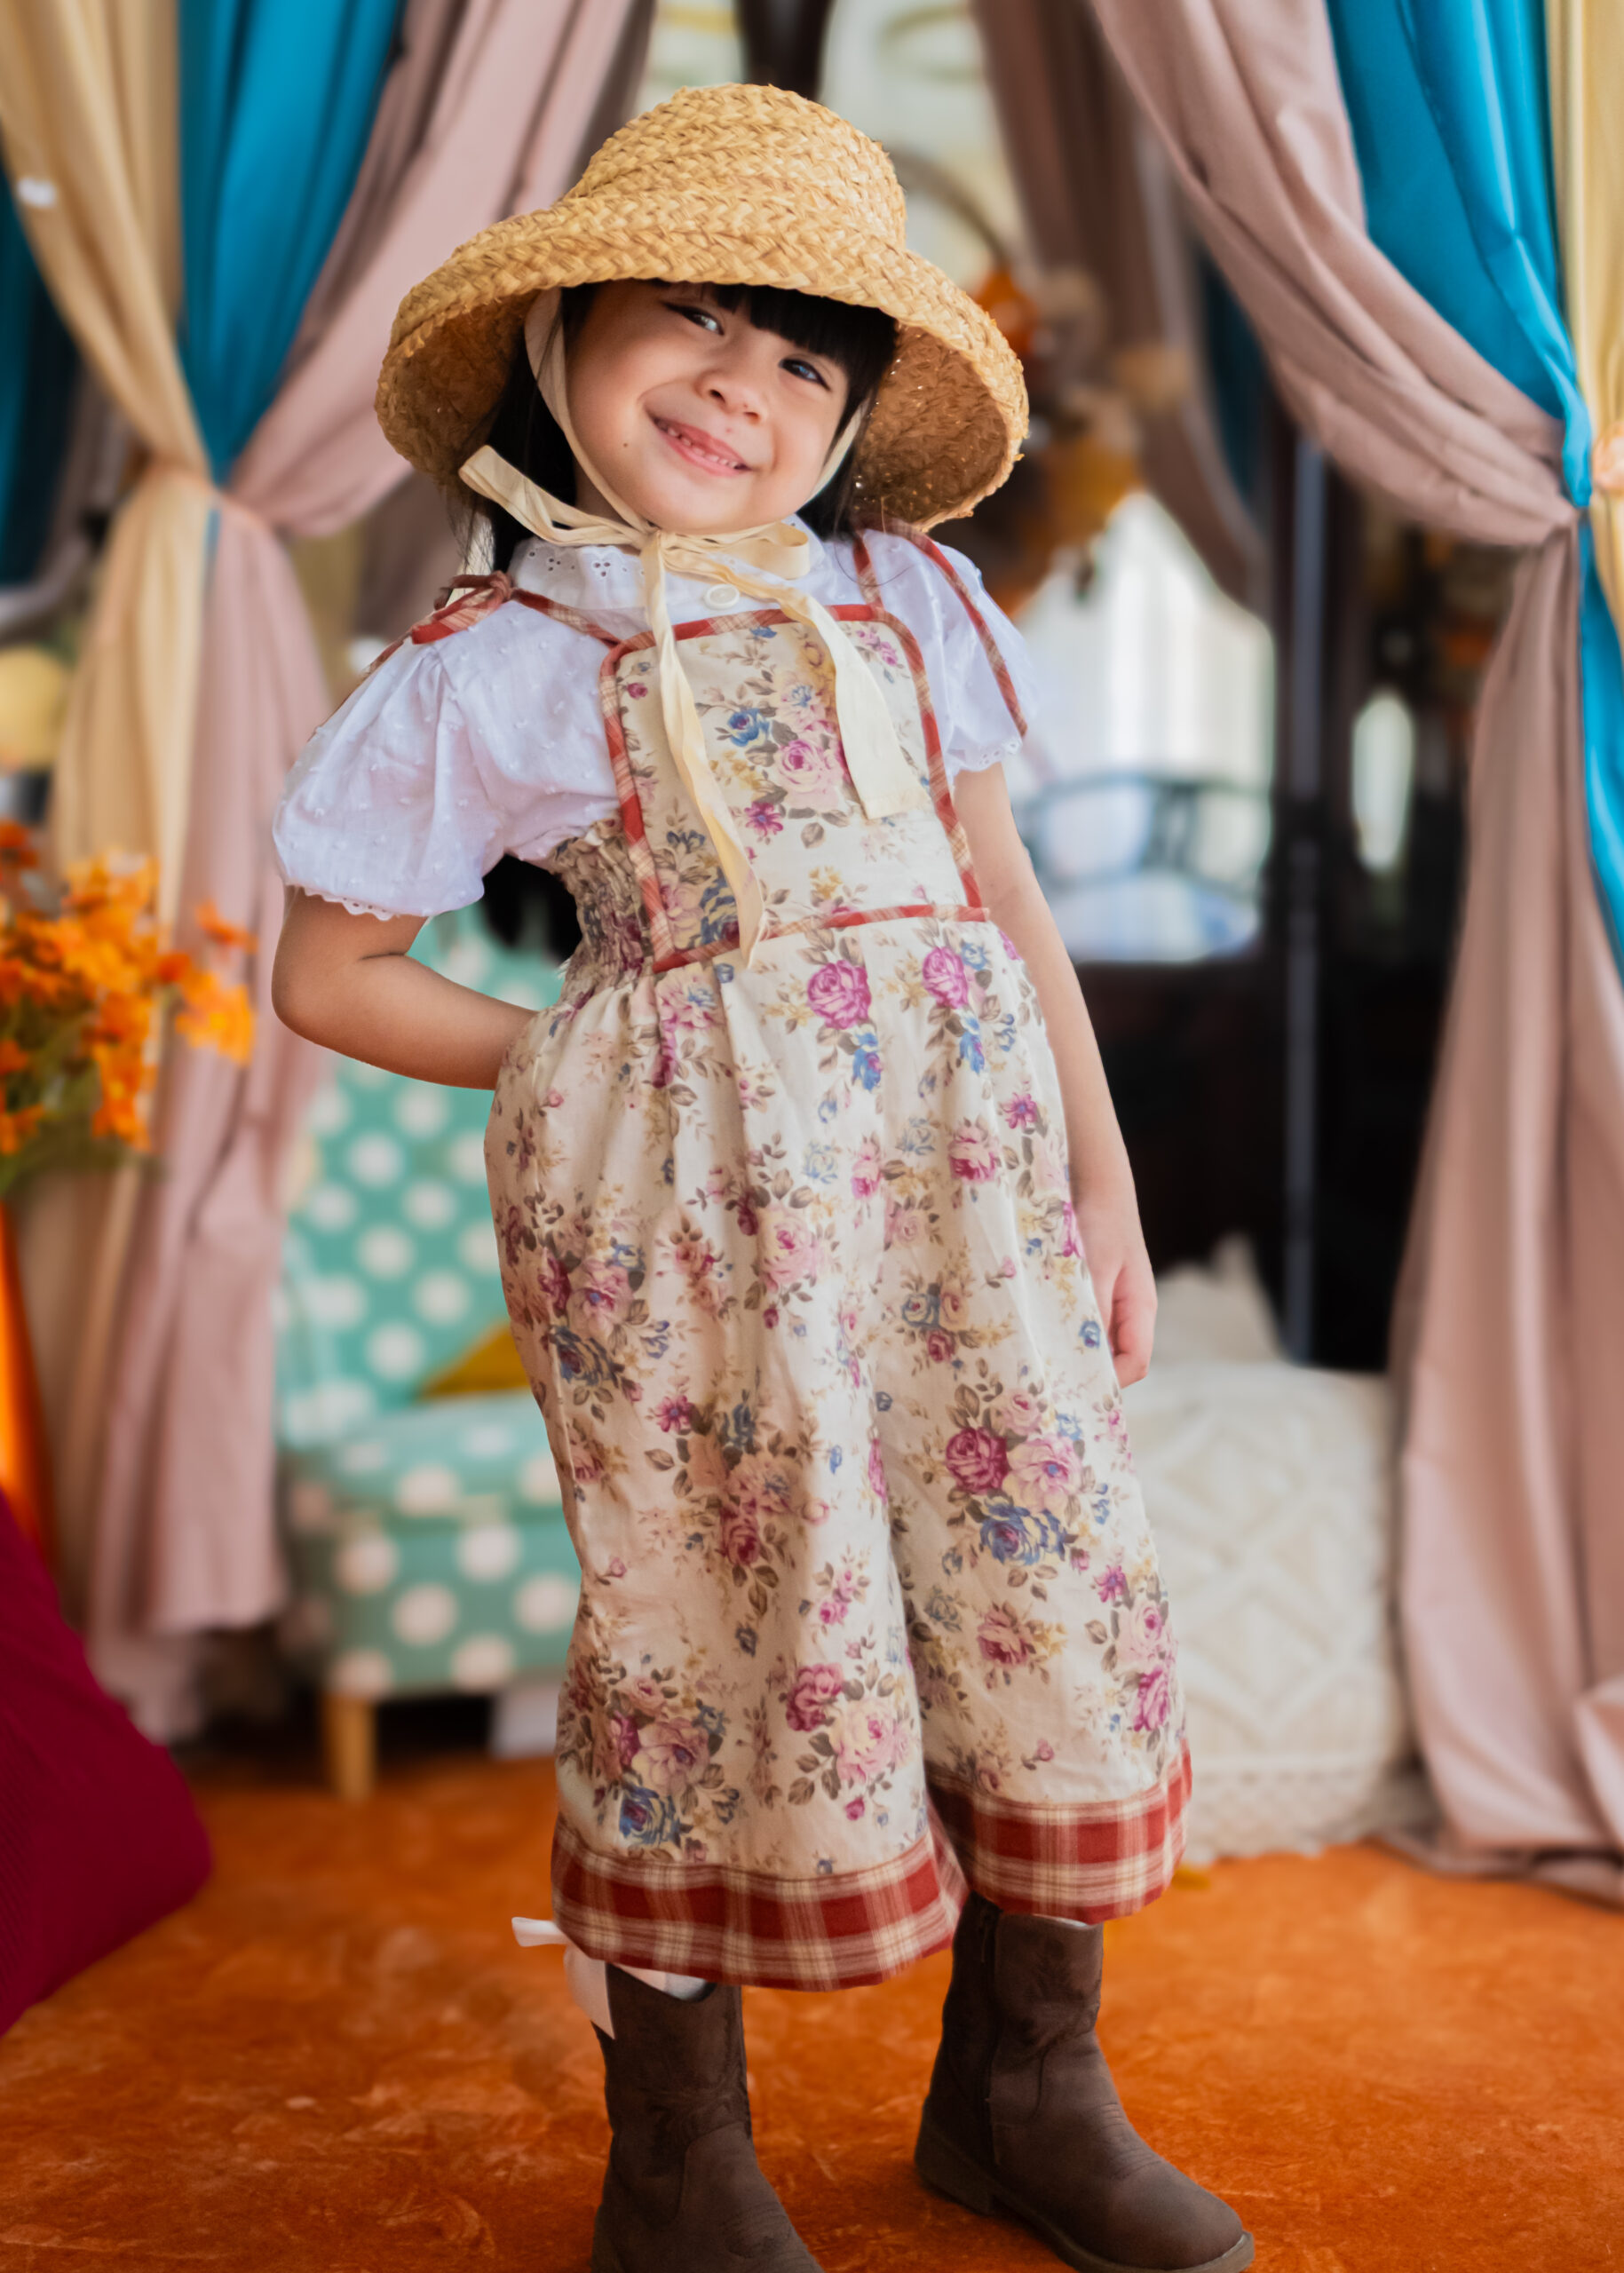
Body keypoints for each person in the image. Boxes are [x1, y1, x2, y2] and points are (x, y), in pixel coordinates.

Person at [272, 83, 1250, 2273]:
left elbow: (1005, 899)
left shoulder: (907, 597)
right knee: (706, 1612)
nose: (744, 379)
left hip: (973, 1204)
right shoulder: (508, 657)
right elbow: (326, 973)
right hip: (695, 1237)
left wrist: (1102, 1188)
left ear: (854, 417)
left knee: (1034, 1581)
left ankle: (1025, 2088)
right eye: (694, 315)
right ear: (565, 337)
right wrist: (602, 1060)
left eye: (806, 355)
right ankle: (676, 2166)